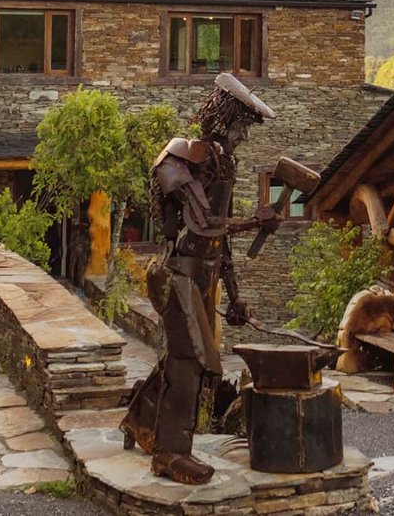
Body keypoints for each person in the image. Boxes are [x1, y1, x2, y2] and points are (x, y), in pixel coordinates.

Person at [119, 73, 277, 484]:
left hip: (203, 276)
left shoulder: (223, 165)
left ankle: (138, 419)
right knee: (192, 363)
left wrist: (235, 293)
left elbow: (218, 244)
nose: (243, 134)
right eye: (241, 123)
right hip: (177, 274)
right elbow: (205, 224)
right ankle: (170, 454)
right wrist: (251, 221)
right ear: (223, 117)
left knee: (184, 358)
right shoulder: (178, 159)